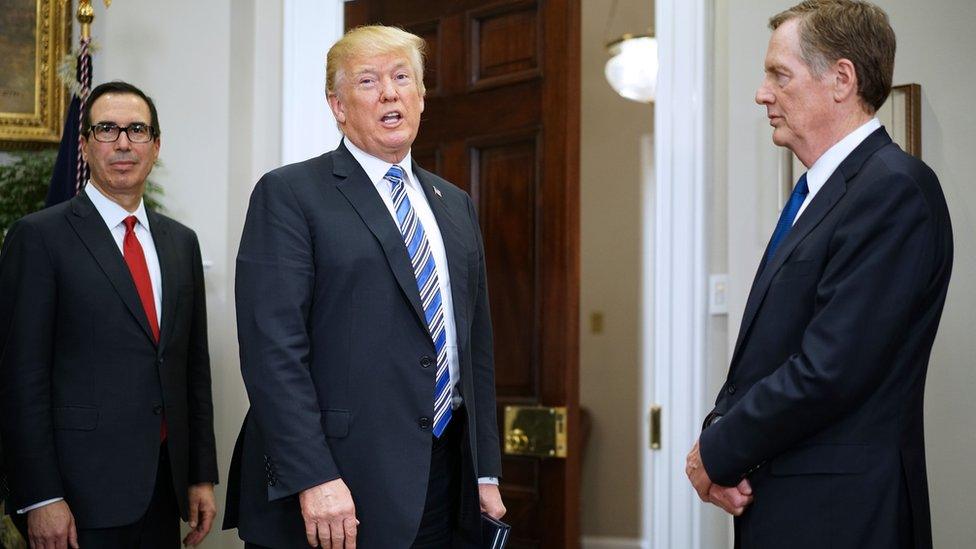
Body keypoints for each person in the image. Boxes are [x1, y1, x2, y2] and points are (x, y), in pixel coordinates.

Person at [224, 25, 506, 548]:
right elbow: (272, 352)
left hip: (444, 483)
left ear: (421, 97)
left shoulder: (456, 204)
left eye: (403, 77)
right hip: (336, 485)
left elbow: (476, 348)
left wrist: (484, 472)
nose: (390, 92)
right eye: (369, 80)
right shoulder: (289, 194)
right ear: (337, 104)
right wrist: (313, 477)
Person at [685, 1, 952, 548]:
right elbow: (772, 351)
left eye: (780, 75)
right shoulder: (822, 192)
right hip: (793, 507)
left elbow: (830, 368)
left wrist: (716, 451)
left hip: (843, 517)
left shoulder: (893, 189)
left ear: (842, 79)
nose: (763, 94)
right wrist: (720, 428)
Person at [0, 81, 219, 548]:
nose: (123, 142)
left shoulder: (181, 242)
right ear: (84, 145)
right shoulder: (39, 238)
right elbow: (21, 379)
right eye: (107, 129)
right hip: (77, 499)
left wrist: (200, 474)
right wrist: (40, 497)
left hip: (163, 488)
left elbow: (191, 370)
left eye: (137, 130)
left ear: (156, 146)